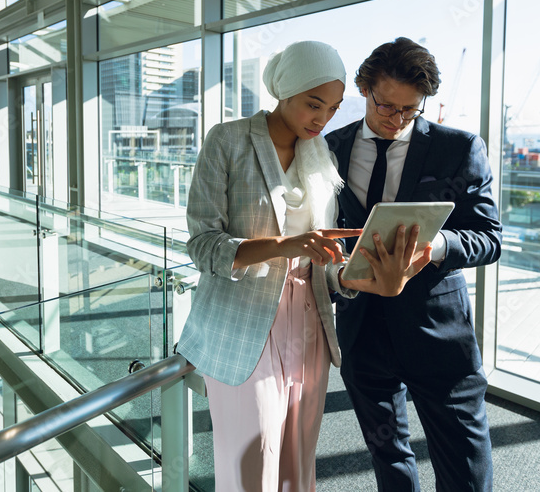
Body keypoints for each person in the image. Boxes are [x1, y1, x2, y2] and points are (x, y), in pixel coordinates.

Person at [177, 40, 428, 492]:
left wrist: (363, 276)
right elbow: (202, 246)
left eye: (332, 109)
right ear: (285, 91)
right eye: (314, 104)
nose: (323, 118)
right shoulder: (228, 140)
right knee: (251, 466)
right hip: (241, 325)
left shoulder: (321, 158)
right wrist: (284, 244)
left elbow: (322, 261)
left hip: (309, 324)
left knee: (296, 463)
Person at [325, 37, 502, 492]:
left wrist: (438, 245)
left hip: (436, 332)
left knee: (463, 458)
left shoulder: (458, 149)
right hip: (362, 328)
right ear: (364, 89)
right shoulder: (330, 149)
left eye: (410, 110)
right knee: (388, 454)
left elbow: (489, 238)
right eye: (386, 106)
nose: (396, 119)